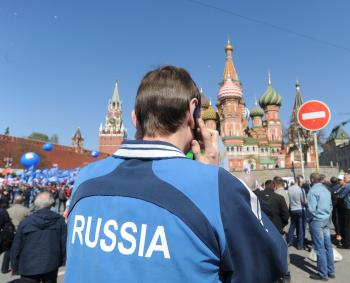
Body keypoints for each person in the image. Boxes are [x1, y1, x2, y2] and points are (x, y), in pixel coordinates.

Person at [64, 66, 290, 283]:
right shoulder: (218, 187)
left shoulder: (84, 179)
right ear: (192, 111)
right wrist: (211, 175)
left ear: (134, 119)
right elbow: (272, 263)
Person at [10, 192, 66, 283]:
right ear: (51, 203)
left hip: (30, 264)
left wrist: (14, 264)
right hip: (50, 263)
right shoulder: (59, 220)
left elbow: (16, 246)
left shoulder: (26, 222)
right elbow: (64, 243)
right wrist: (62, 261)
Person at [306, 173, 335, 281]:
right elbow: (330, 205)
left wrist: (308, 218)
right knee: (328, 246)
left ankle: (323, 274)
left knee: (320, 248)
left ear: (312, 180)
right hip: (326, 218)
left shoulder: (312, 191)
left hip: (317, 220)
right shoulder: (326, 190)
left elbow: (311, 209)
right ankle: (330, 271)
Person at [2, 195, 30, 273]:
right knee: (19, 250)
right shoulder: (26, 210)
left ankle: (4, 268)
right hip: (20, 232)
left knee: (8, 250)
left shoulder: (8, 210)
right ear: (22, 201)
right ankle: (16, 268)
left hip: (9, 233)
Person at [287, 176, 306, 250]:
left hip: (292, 209)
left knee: (292, 225)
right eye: (301, 182)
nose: (302, 183)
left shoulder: (289, 188)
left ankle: (289, 241)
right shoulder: (301, 190)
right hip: (300, 209)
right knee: (301, 227)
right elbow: (303, 201)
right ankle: (300, 244)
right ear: (298, 181)